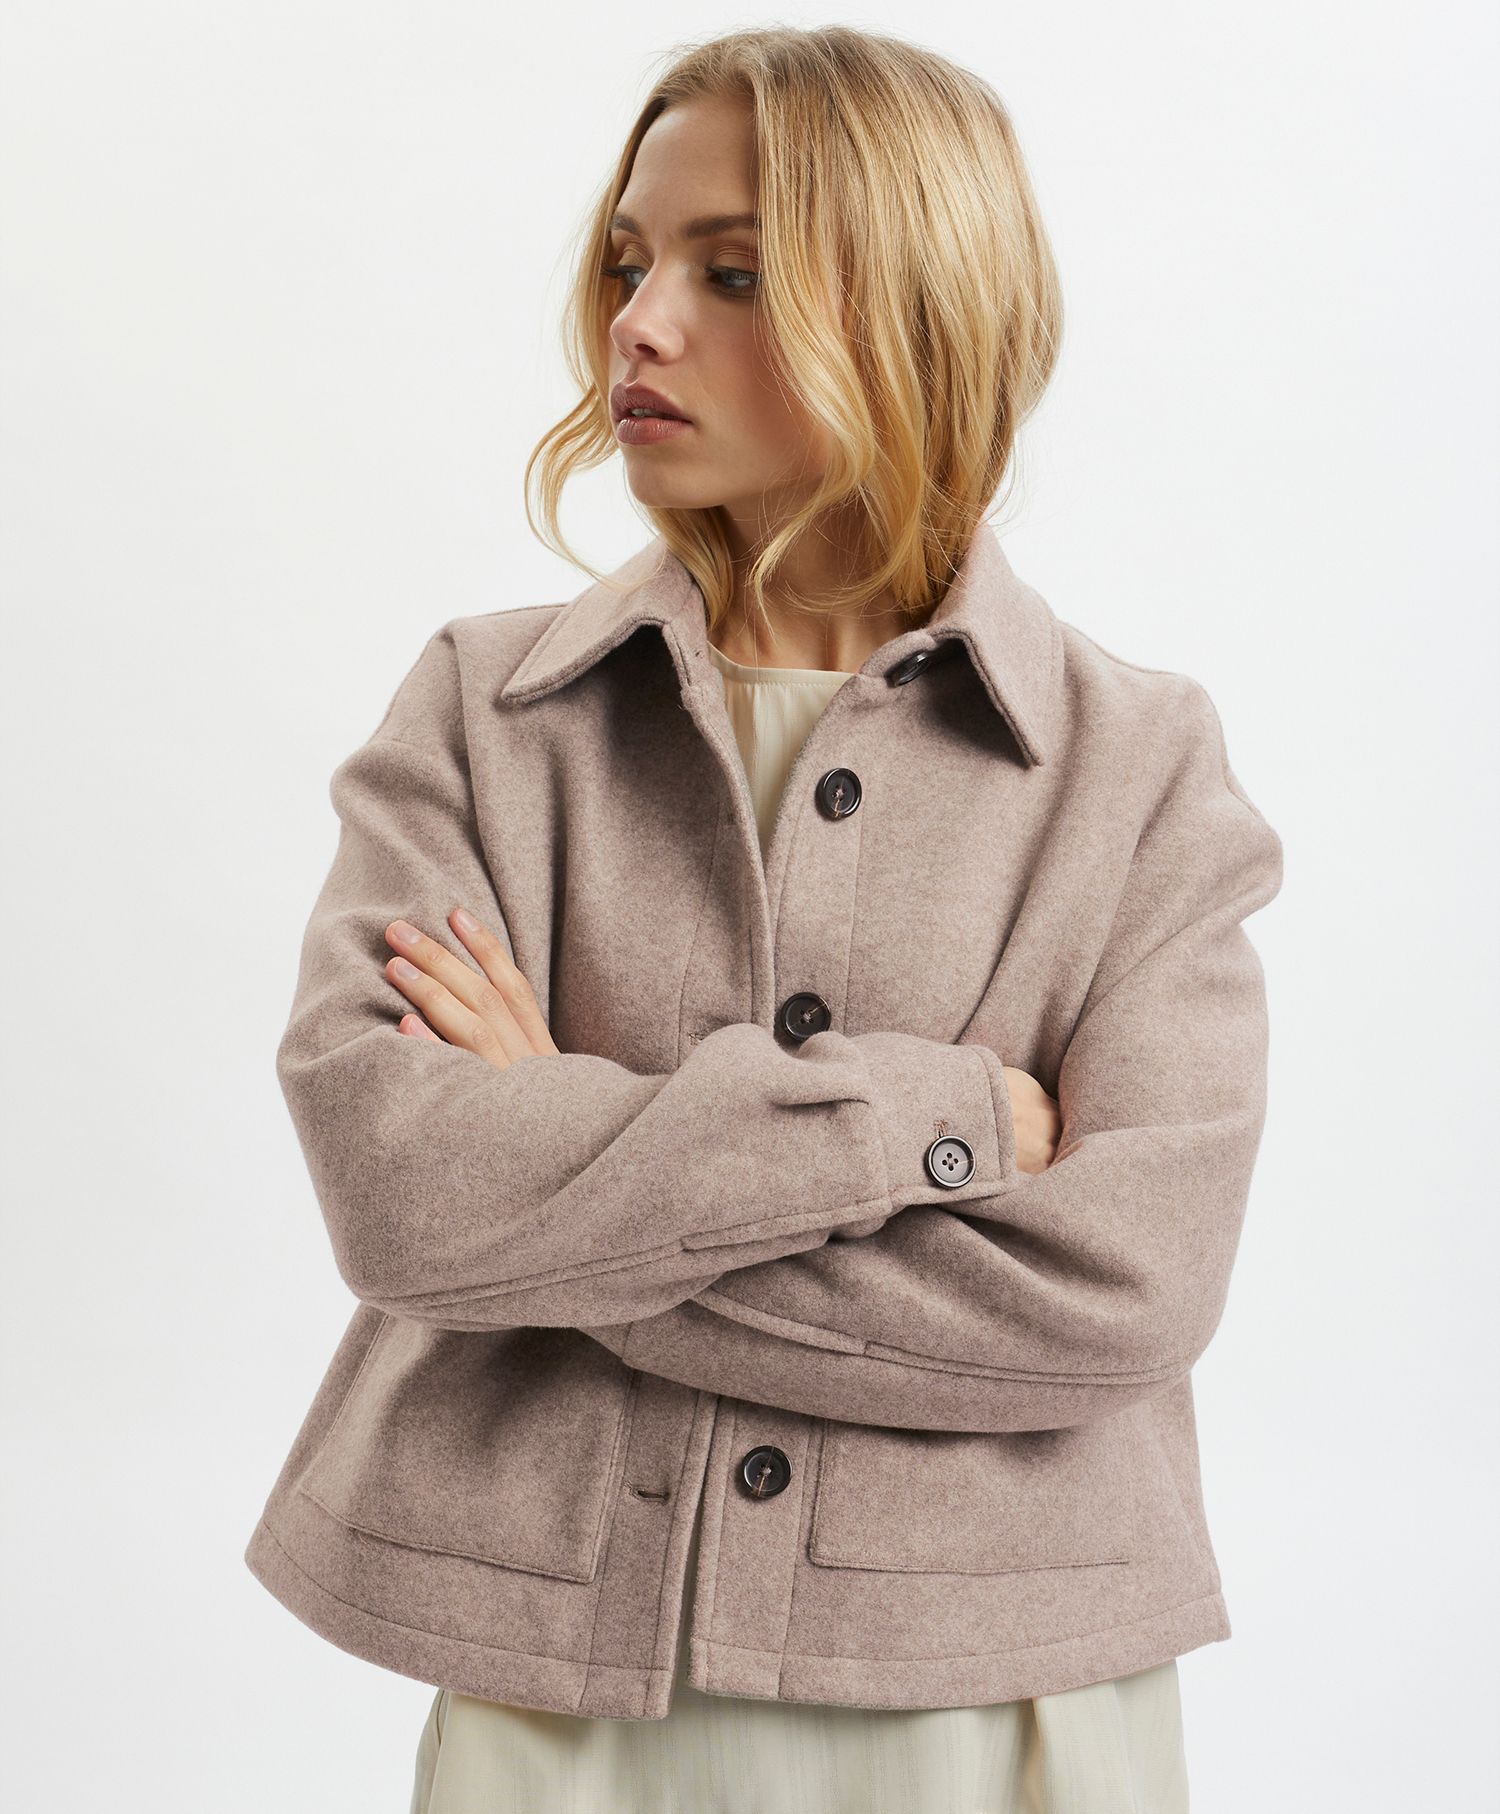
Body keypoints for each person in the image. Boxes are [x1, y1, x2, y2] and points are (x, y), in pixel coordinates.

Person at [247, 24, 1280, 1813]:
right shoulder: (487, 714)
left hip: (1007, 1708)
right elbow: (407, 1197)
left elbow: (1125, 1292)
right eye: (629, 262)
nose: (638, 326)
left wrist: (566, 1187)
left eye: (730, 273)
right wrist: (939, 1125)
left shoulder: (1139, 767)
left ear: (917, 311)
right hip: (564, 1713)